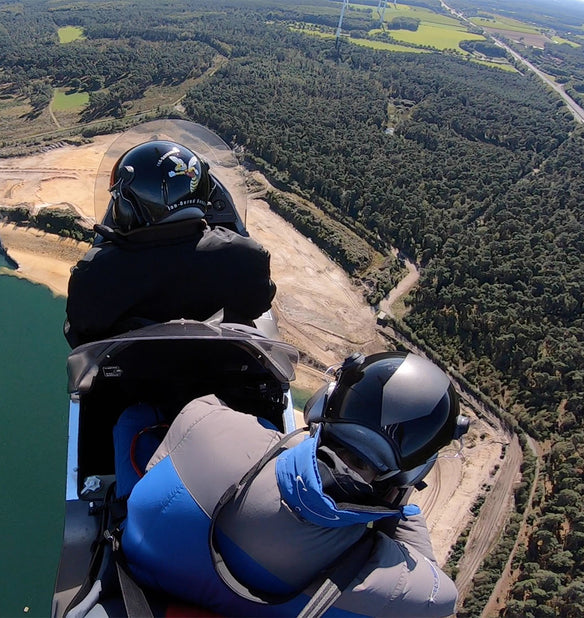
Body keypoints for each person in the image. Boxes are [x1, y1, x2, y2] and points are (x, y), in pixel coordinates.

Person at [117, 351, 469, 617]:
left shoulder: (207, 421)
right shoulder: (393, 580)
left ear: (320, 405)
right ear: (412, 474)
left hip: (141, 574)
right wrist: (399, 506)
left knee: (135, 421)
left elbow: (156, 465)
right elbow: (439, 594)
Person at [64, 139, 276, 348]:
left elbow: (80, 334)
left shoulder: (95, 275)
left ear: (130, 206)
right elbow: (257, 306)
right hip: (230, 375)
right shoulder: (248, 257)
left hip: (135, 379)